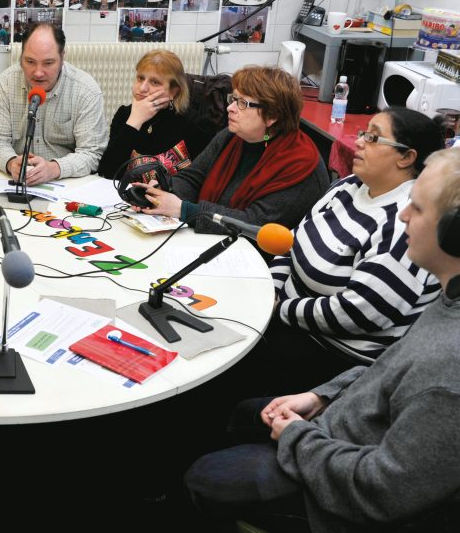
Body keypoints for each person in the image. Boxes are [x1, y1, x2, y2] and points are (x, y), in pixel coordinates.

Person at [185, 147, 460, 533]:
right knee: (244, 415)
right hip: (335, 430)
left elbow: (383, 490)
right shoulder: (451, 298)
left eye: (417, 208)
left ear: (455, 232)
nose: (402, 216)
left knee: (204, 478)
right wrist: (322, 396)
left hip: (343, 498)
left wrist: (299, 439)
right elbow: (389, 365)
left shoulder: (450, 371)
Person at [262, 109, 442, 389]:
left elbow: (360, 312)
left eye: (373, 138)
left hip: (333, 353)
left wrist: (278, 310)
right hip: (284, 315)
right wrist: (269, 290)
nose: (358, 142)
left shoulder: (404, 222)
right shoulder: (349, 186)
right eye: (363, 133)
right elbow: (291, 241)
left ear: (406, 157)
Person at [138, 65, 329, 235]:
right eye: (233, 98)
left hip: (257, 258)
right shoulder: (233, 136)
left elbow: (255, 224)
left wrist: (184, 210)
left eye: (242, 103)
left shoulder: (300, 165)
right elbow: (193, 178)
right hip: (214, 239)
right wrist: (162, 191)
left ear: (273, 116)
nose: (230, 108)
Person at [0, 23, 108, 184]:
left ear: (62, 57)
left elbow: (92, 153)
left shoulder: (85, 90)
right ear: (21, 57)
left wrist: (54, 168)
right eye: (30, 62)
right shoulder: (5, 83)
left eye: (48, 63)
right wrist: (11, 162)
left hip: (65, 182)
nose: (38, 72)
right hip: (16, 180)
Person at [98, 50, 210, 180]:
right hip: (125, 196)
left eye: (154, 82)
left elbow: (201, 180)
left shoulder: (193, 123)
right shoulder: (124, 114)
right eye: (140, 78)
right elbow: (106, 172)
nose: (142, 88)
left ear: (174, 91)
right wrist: (134, 122)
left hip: (171, 198)